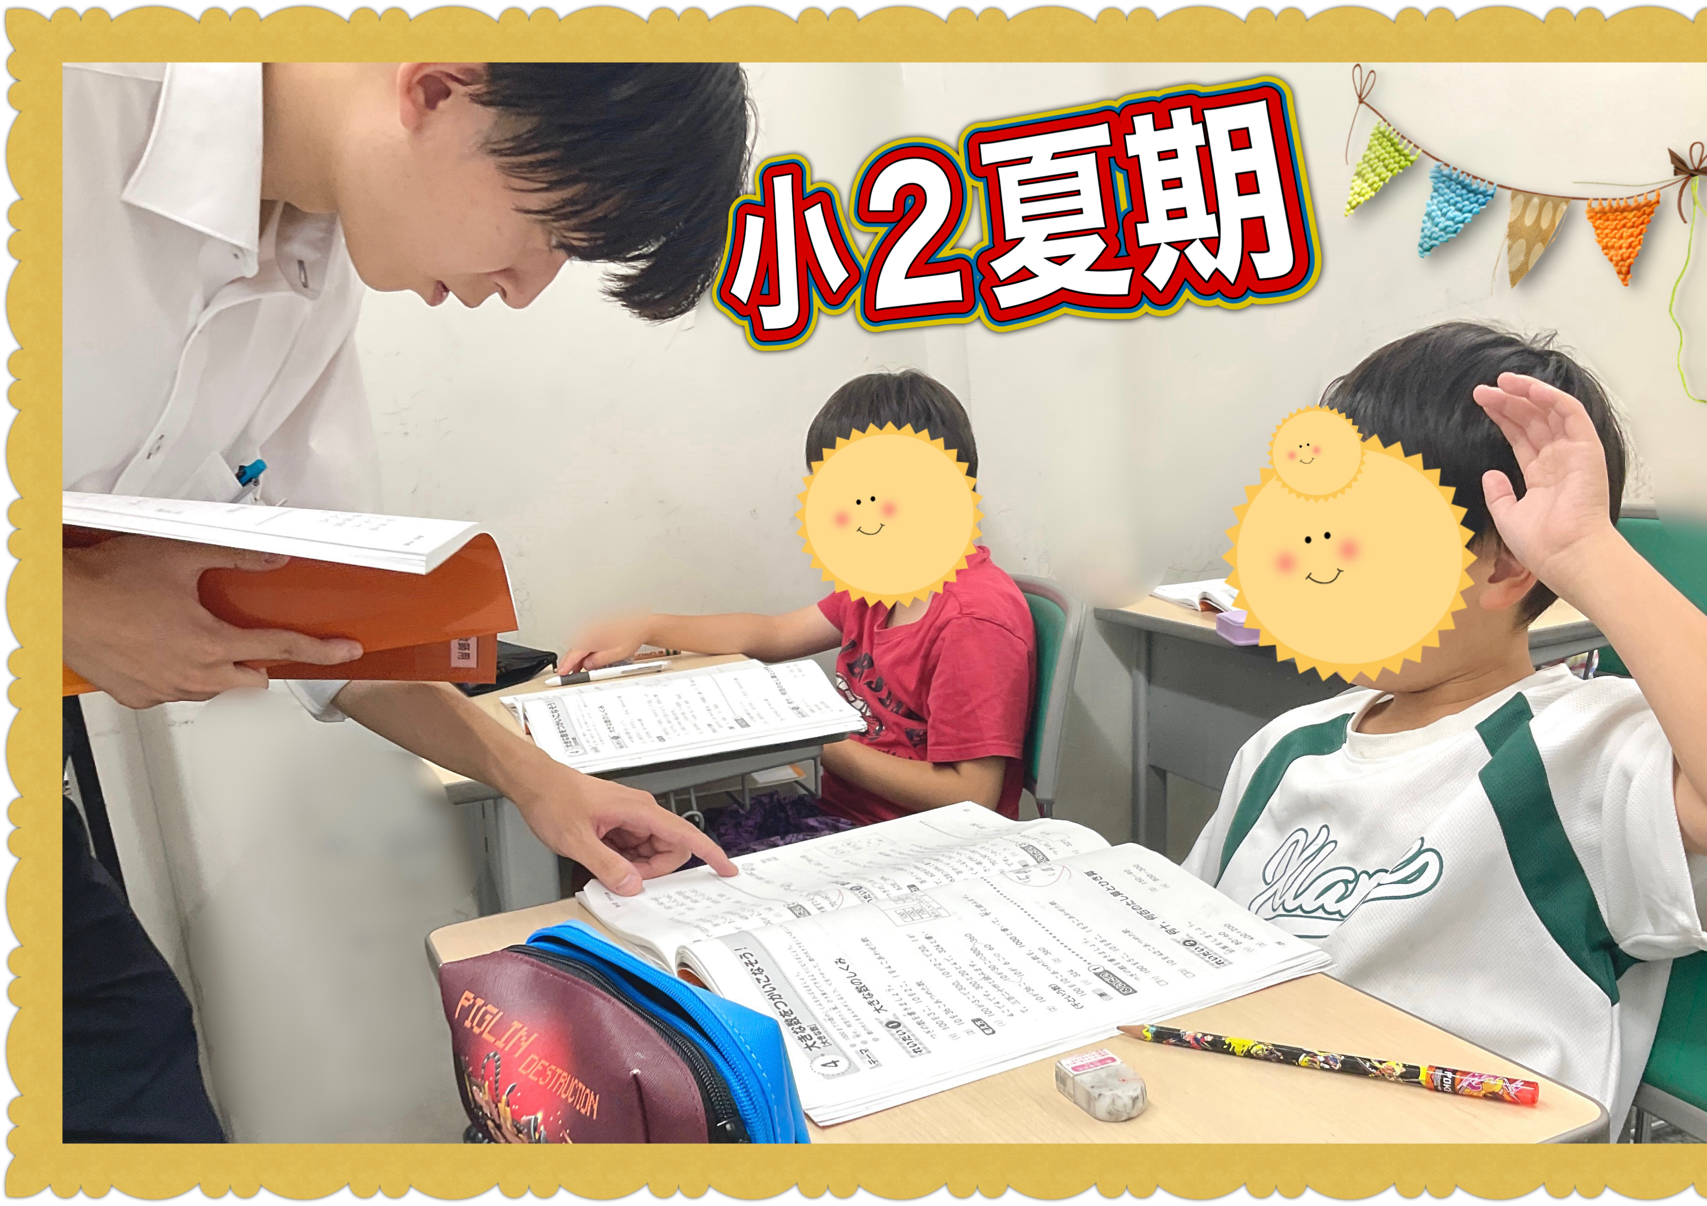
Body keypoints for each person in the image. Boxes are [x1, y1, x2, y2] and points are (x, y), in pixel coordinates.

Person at [61, 61, 751, 1141]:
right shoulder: (80, 100)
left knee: (134, 1064)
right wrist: (71, 607)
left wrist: (542, 783)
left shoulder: (311, 278)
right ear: (435, 90)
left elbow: (336, 635)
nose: (523, 289)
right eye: (548, 231)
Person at [1180, 323, 1707, 1137]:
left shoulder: (1581, 747)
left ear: (1505, 563)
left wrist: (1586, 550)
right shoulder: (1286, 747)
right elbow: (1187, 949)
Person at [560, 370, 1038, 855]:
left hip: (910, 845)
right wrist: (647, 626)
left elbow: (972, 795)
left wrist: (812, 738)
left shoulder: (973, 619)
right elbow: (774, 632)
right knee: (626, 841)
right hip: (841, 816)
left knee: (644, 860)